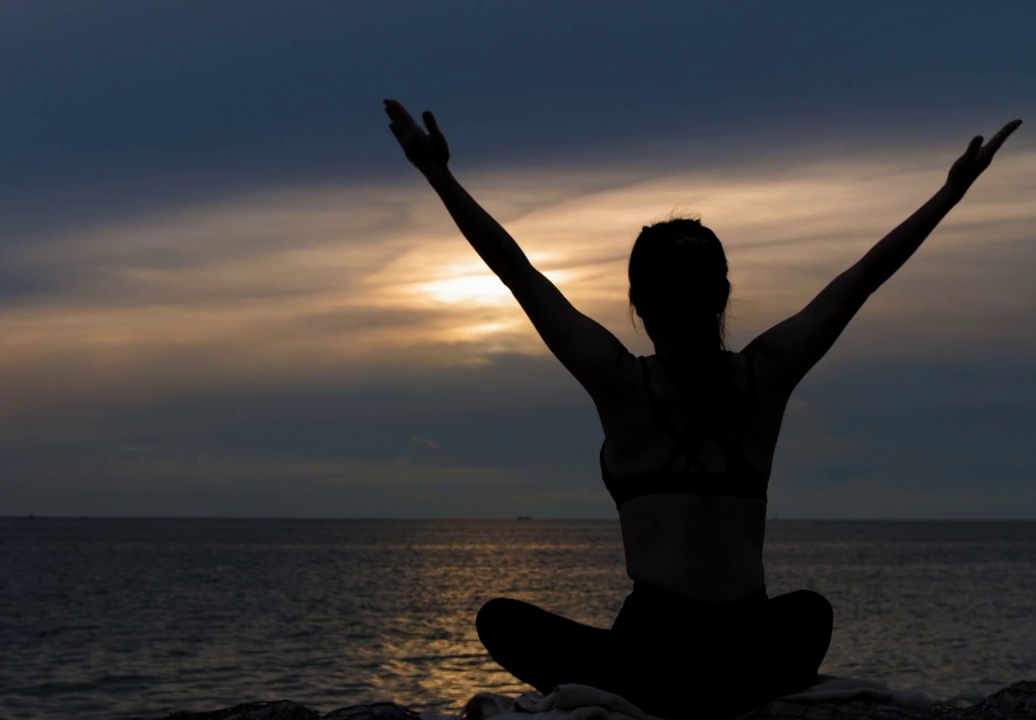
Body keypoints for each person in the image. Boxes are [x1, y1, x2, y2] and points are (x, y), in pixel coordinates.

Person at [383, 98, 1021, 720]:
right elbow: (861, 278)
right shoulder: (765, 375)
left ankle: (661, 694)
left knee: (500, 619)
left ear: (638, 303)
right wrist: (950, 194)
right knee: (810, 613)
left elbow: (518, 273)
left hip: (650, 661)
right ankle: (716, 695)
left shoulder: (621, 383)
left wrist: (439, 176)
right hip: (748, 656)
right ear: (723, 296)